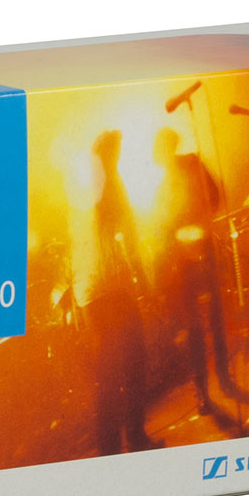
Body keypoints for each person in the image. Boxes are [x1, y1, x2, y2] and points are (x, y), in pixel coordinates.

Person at [75, 130, 159, 455]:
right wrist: (143, 281)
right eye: (117, 149)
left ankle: (109, 450)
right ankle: (134, 436)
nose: (119, 155)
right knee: (134, 362)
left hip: (91, 293)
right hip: (113, 290)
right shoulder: (112, 183)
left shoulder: (83, 189)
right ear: (110, 152)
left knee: (107, 373)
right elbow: (128, 237)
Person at [153, 127, 232, 412]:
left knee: (214, 316)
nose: (162, 155)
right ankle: (204, 390)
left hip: (203, 249)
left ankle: (222, 378)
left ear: (170, 147)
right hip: (184, 260)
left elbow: (215, 195)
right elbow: (162, 224)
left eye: (163, 148)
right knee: (195, 324)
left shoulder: (192, 164)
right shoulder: (163, 187)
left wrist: (201, 223)